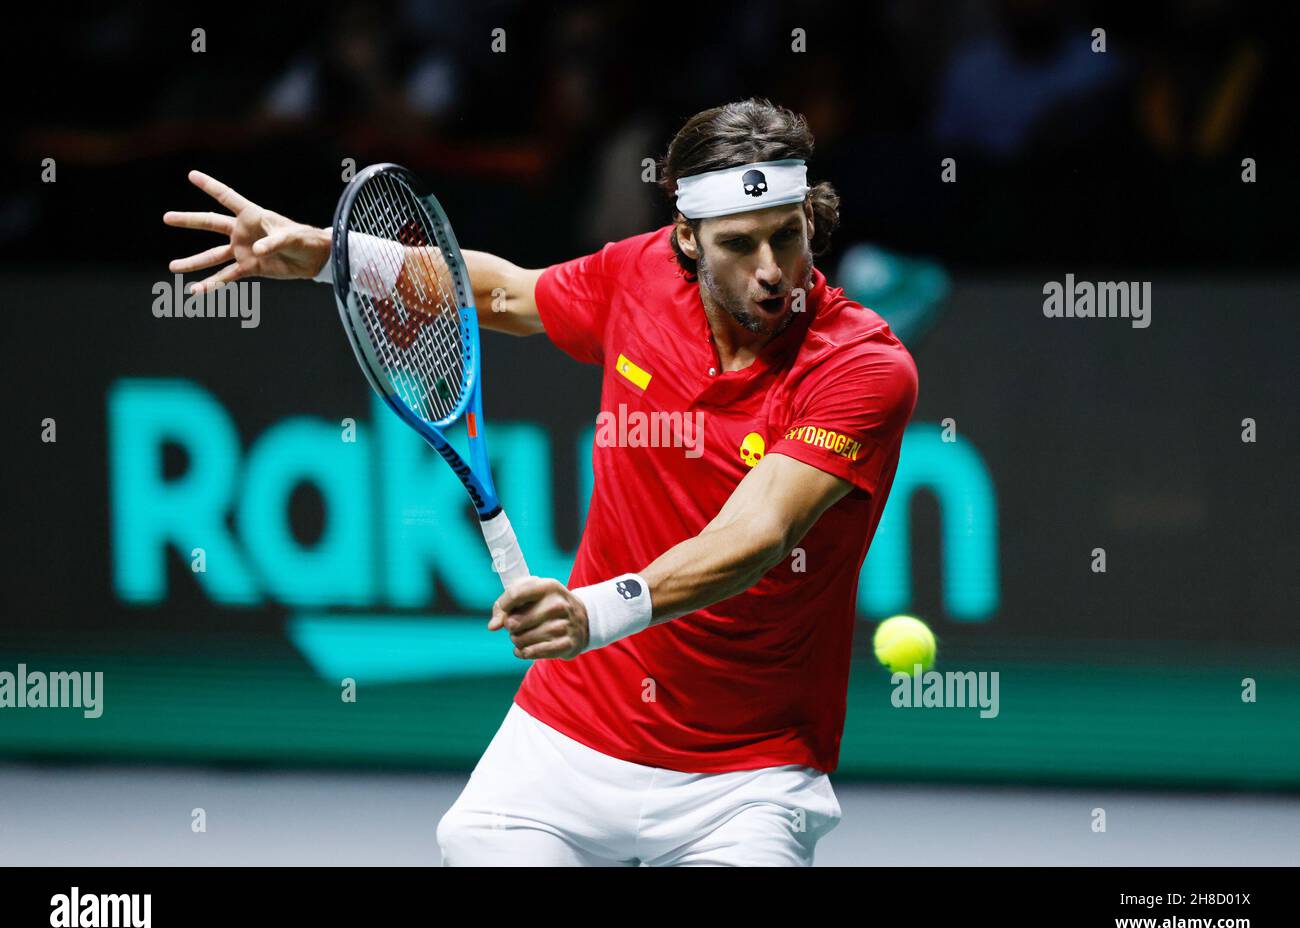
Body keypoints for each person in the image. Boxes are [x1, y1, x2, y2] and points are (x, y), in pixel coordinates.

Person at [164, 98, 918, 866]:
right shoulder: (640, 274)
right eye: (739, 244)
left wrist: (592, 612)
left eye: (787, 236)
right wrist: (332, 255)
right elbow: (503, 294)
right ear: (687, 238)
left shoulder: (863, 366)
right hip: (570, 735)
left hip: (746, 776)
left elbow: (758, 532)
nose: (770, 272)